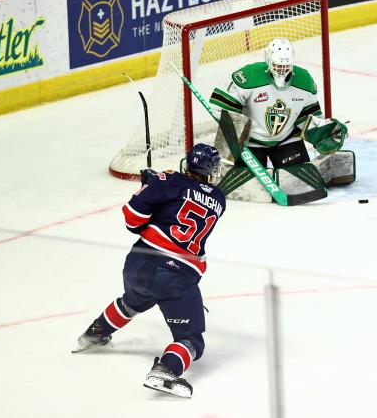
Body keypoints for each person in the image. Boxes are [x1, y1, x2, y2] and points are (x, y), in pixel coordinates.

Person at [72, 143, 225, 399]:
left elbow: (133, 219)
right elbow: (183, 205)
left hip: (139, 263)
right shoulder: (219, 199)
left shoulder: (168, 180)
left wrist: (149, 188)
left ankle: (95, 333)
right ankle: (166, 370)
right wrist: (157, 188)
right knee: (192, 340)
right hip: (176, 276)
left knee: (132, 301)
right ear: (210, 170)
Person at [209, 37, 348, 171]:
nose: (282, 69)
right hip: (249, 143)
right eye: (278, 65)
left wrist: (322, 131)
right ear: (268, 61)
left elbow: (307, 118)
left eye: (286, 65)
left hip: (286, 139)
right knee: (248, 189)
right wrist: (235, 135)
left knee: (300, 184)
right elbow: (222, 107)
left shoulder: (305, 81)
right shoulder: (249, 76)